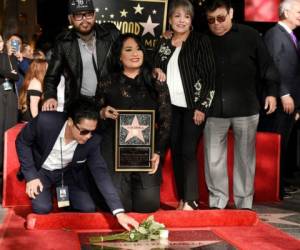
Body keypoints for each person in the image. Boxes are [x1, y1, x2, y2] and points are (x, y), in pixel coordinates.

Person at [15, 98, 139, 231]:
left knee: (87, 207)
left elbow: (100, 172)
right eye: (84, 131)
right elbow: (22, 142)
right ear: (70, 122)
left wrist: (119, 212)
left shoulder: (93, 140)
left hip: (67, 174)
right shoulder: (45, 121)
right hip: (41, 171)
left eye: (92, 131)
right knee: (42, 208)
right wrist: (31, 176)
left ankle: (60, 195)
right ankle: (49, 194)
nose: (88, 136)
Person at [203, 0, 278, 209]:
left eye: (220, 18)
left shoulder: (250, 35)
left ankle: (244, 203)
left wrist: (271, 93)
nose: (216, 24)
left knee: (245, 158)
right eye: (211, 20)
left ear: (231, 13)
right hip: (213, 108)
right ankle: (217, 201)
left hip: (246, 107)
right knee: (213, 159)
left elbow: (267, 65)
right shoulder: (202, 39)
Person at [95, 33, 172, 212]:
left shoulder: (156, 81)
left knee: (148, 206)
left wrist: (158, 152)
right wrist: (102, 112)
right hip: (114, 152)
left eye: (139, 49)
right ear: (119, 56)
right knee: (119, 207)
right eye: (128, 49)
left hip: (145, 153)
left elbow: (166, 119)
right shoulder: (107, 82)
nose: (135, 53)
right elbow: (94, 114)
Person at [154, 0, 215, 210]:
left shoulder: (200, 41)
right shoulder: (163, 43)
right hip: (170, 108)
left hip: (192, 107)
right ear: (170, 19)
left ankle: (191, 199)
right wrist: (155, 71)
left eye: (186, 16)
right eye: (177, 16)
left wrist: (202, 107)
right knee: (177, 152)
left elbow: (209, 77)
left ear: (191, 21)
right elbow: (153, 67)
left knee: (188, 151)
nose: (181, 20)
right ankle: (183, 199)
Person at [42, 0, 120, 111]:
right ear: (70, 19)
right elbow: (51, 77)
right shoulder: (63, 42)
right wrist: (50, 96)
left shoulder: (111, 35)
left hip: (110, 103)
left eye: (88, 14)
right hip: (79, 106)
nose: (84, 20)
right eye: (78, 15)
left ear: (94, 15)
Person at [260, 0, 300, 199]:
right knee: (275, 146)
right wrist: (284, 93)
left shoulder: (290, 35)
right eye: (298, 11)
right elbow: (274, 66)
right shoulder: (275, 34)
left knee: (283, 146)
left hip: (291, 103)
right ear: (285, 12)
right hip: (278, 102)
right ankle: (273, 188)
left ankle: (279, 186)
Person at [0, 35, 19, 172]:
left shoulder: (10, 57)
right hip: (1, 94)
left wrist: (9, 73)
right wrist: (9, 73)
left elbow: (16, 76)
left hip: (10, 94)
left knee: (9, 128)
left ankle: (6, 163)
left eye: (0, 40)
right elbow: (4, 72)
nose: (0, 43)